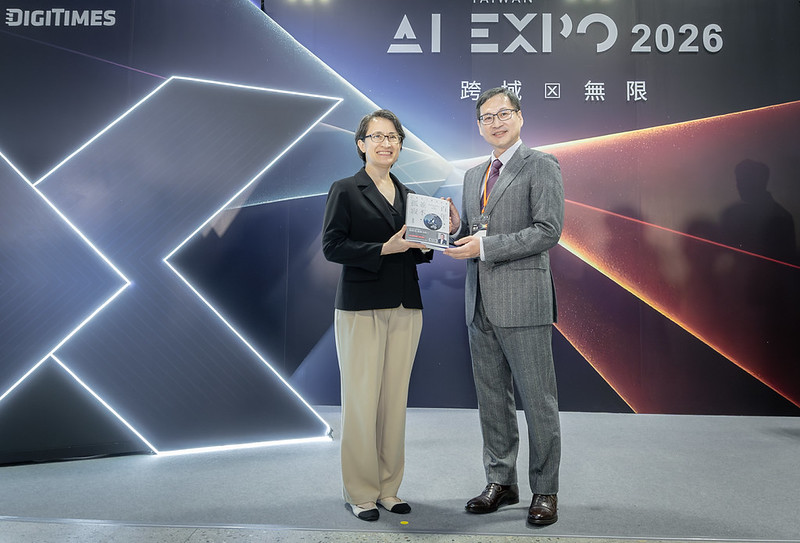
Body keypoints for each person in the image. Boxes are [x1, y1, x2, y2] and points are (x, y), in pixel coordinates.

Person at [444, 87, 564, 526]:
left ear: (520, 117)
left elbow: (548, 230)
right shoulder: (473, 175)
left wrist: (484, 246)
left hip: (524, 301)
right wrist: (455, 229)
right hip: (479, 300)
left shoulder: (542, 164)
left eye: (504, 113)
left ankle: (545, 490)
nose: (496, 122)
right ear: (478, 126)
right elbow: (477, 232)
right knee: (492, 399)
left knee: (538, 401)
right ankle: (501, 481)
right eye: (487, 117)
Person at [321, 109, 432, 521]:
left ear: (400, 146)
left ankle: (388, 488)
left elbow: (414, 251)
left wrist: (432, 240)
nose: (386, 143)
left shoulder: (411, 196)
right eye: (377, 136)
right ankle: (360, 491)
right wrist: (383, 249)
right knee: (361, 401)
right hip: (361, 307)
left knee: (393, 402)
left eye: (393, 137)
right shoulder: (345, 189)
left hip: (405, 306)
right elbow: (332, 246)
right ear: (361, 144)